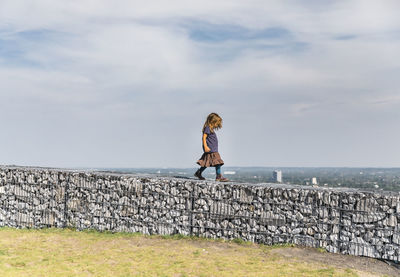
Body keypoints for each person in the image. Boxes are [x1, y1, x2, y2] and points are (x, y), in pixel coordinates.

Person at [194, 113, 229, 182]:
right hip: (210, 149)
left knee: (206, 163)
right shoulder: (207, 128)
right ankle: (218, 176)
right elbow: (204, 138)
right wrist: (205, 146)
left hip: (213, 149)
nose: (217, 125)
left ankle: (199, 172)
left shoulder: (210, 129)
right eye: (216, 123)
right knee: (218, 162)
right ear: (212, 121)